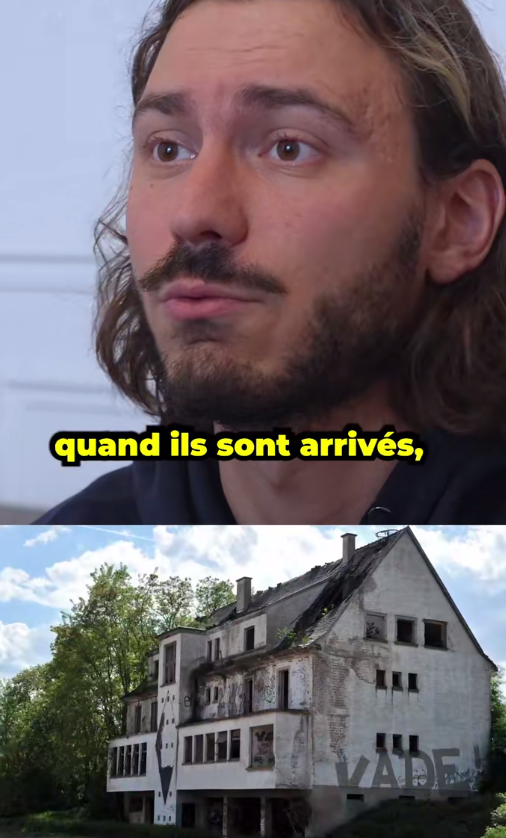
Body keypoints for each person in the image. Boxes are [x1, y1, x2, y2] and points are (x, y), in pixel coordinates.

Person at [37, 0, 506, 525]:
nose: (193, 214)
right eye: (168, 149)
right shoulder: (72, 538)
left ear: (458, 220)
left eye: (289, 148)